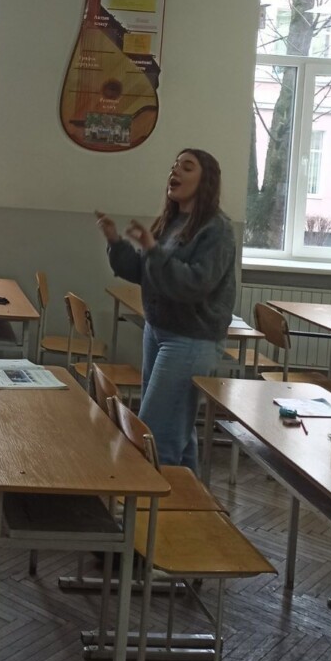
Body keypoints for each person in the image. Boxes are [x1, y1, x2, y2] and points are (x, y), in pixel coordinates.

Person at [95, 148, 236, 470]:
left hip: (191, 339)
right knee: (176, 433)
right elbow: (146, 271)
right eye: (174, 166)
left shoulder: (217, 229)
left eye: (187, 167)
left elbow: (195, 284)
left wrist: (152, 249)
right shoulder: (172, 222)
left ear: (206, 181)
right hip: (158, 330)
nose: (175, 171)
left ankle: (150, 501)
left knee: (155, 435)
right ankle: (188, 498)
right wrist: (116, 242)